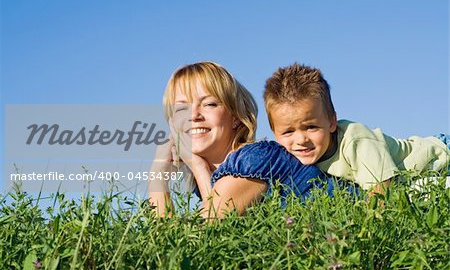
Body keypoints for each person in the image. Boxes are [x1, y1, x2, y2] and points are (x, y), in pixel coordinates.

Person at [149, 61, 353, 219]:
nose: (193, 115)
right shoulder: (219, 180)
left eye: (209, 104)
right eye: (181, 107)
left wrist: (196, 167)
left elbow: (195, 241)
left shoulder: (251, 161)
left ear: (236, 117)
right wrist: (158, 173)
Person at [263, 62, 450, 195]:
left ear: (331, 122)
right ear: (274, 132)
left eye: (311, 127)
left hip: (437, 156)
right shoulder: (295, 155)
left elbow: (382, 190)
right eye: (288, 131)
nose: (301, 139)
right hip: (409, 179)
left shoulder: (356, 140)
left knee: (429, 191)